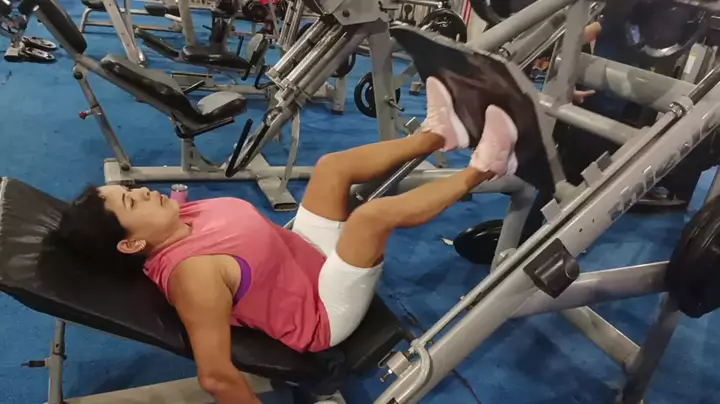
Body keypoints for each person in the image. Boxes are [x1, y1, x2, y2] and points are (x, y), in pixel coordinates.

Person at [48, 77, 519, 403]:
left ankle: (439, 135)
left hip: (303, 256)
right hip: (321, 311)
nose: (142, 191)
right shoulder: (193, 277)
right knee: (370, 217)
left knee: (332, 167)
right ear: (131, 245)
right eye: (132, 203)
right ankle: (485, 168)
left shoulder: (175, 218)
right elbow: (215, 376)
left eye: (131, 190)